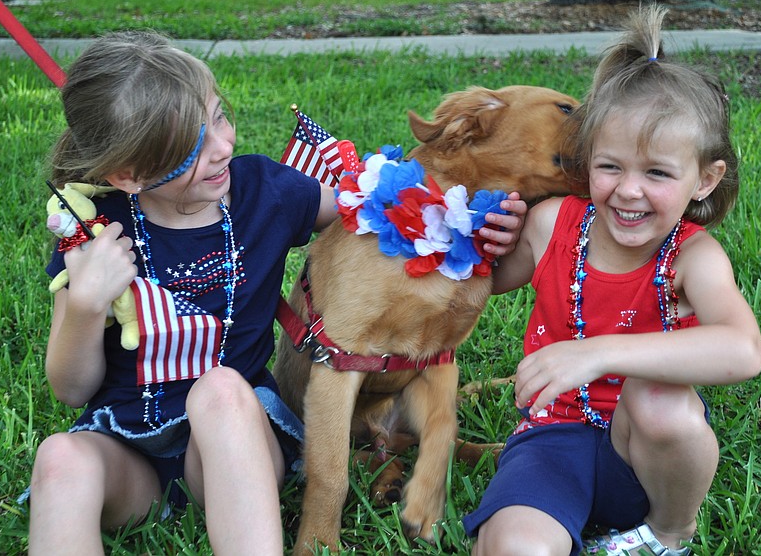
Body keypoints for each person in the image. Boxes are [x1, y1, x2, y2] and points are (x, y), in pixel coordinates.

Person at [27, 31, 526, 555]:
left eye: (219, 116)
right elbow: (72, 389)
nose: (223, 146)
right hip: (131, 454)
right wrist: (85, 305)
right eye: (190, 147)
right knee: (60, 457)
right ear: (128, 174)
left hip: (235, 440)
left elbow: (384, 212)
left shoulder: (263, 192)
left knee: (218, 388)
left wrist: (477, 222)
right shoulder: (93, 233)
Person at [463, 5, 761, 556]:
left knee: (659, 402)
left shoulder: (694, 258)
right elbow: (492, 281)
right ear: (587, 159)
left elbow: (743, 350)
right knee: (512, 547)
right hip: (552, 438)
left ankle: (668, 535)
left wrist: (599, 353)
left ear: (705, 179)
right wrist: (493, 245)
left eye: (657, 173)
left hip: (646, 455)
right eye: (610, 167)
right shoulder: (554, 222)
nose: (628, 191)